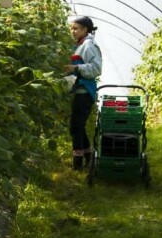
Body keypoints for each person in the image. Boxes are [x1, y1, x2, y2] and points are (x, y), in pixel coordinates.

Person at [65, 16, 102, 170]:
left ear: (85, 30)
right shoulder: (81, 45)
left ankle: (78, 164)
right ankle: (88, 158)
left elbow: (96, 69)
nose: (73, 31)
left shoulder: (89, 46)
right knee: (78, 126)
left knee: (76, 127)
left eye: (76, 28)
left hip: (85, 91)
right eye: (72, 28)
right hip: (80, 91)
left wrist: (77, 68)